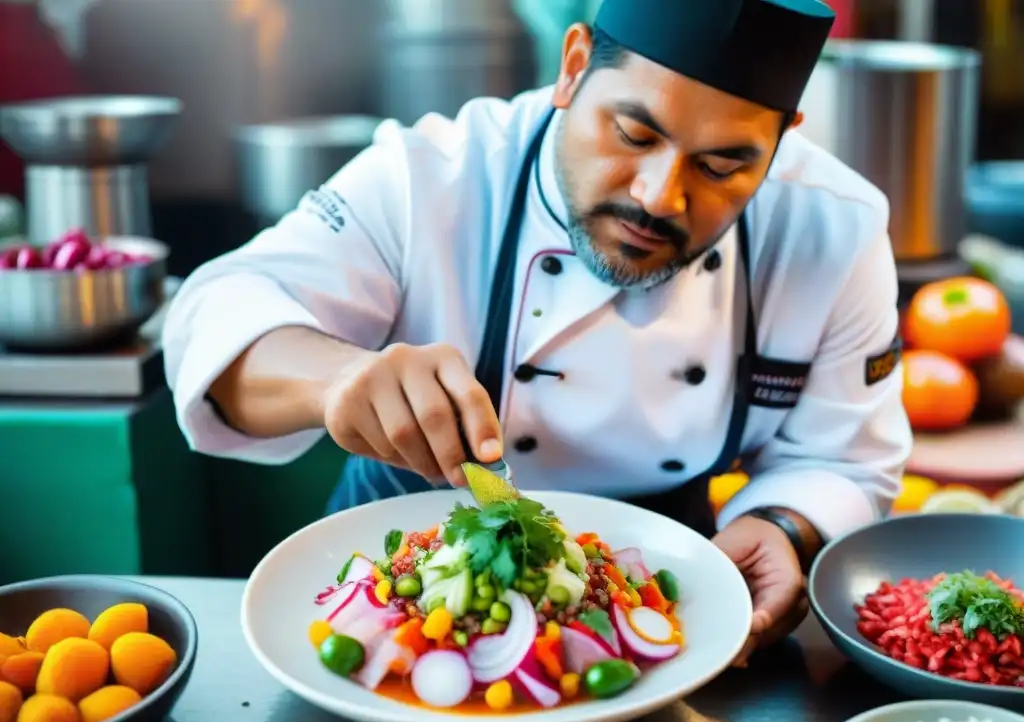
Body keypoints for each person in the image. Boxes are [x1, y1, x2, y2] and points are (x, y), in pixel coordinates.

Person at [163, 0, 912, 665]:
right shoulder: (432, 176)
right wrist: (334, 379)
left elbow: (846, 458)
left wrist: (783, 526)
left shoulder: (835, 229)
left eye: (722, 167)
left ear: (782, 141)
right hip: (399, 577)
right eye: (632, 133)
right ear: (574, 66)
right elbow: (218, 312)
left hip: (664, 584)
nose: (660, 195)